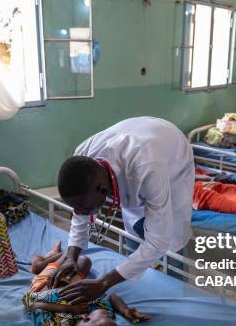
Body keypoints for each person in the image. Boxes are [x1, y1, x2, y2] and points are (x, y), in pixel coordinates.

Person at [50, 117, 195, 304]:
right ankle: (138, 282)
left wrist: (103, 283)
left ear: (103, 190)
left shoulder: (147, 167)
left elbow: (159, 241)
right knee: (134, 231)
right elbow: (80, 215)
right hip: (139, 138)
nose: (81, 213)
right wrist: (71, 257)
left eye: (85, 208)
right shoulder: (83, 158)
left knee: (172, 239)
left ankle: (177, 293)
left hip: (172, 156)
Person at [23, 241, 149, 326]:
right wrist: (125, 311)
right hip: (74, 285)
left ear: (86, 319)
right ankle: (55, 256)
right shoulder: (98, 315)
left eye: (106, 317)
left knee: (68, 254)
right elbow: (111, 297)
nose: (108, 315)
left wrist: (68, 309)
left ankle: (38, 265)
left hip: (46, 284)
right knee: (84, 261)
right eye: (110, 318)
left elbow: (33, 305)